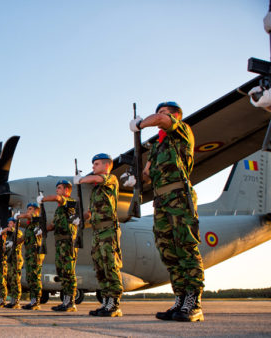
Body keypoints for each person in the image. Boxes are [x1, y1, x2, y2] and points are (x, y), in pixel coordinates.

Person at [130, 101, 205, 322]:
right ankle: (180, 300)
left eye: (163, 113)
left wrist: (141, 123)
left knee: (186, 247)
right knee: (168, 252)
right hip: (161, 201)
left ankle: (194, 302)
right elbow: (147, 173)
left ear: (176, 115)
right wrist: (136, 177)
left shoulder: (181, 131)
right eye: (158, 112)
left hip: (179, 197)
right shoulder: (159, 146)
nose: (158, 116)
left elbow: (161, 121)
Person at [74, 153, 123, 317]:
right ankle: (106, 302)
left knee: (110, 265)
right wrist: (83, 216)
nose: (93, 167)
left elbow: (96, 179)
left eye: (96, 164)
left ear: (107, 165)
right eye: (93, 164)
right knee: (100, 267)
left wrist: (80, 180)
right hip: (97, 232)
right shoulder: (96, 190)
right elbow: (92, 211)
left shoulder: (111, 179)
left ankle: (114, 304)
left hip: (108, 230)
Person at [39, 179, 79, 312]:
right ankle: (66, 301)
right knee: (61, 271)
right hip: (60, 244)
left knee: (68, 271)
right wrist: (43, 229)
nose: (57, 190)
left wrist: (43, 199)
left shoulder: (69, 202)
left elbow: (57, 197)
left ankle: (70, 302)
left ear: (67, 190)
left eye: (60, 188)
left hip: (68, 242)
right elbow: (53, 225)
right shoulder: (59, 210)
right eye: (57, 188)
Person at [16, 203, 44, 310]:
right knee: (30, 277)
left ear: (37, 210)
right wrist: (15, 242)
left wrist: (20, 216)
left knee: (35, 276)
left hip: (36, 253)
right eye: (27, 209)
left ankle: (36, 301)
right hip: (29, 254)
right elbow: (22, 238)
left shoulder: (37, 219)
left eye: (30, 209)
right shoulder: (29, 225)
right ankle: (33, 300)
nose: (28, 211)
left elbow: (30, 216)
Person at [4, 217, 24, 309]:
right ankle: (12, 300)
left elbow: (19, 240)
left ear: (15, 224)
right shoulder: (9, 235)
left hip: (16, 258)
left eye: (10, 223)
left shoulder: (18, 232)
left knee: (16, 279)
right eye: (8, 223)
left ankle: (16, 301)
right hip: (11, 259)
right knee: (11, 280)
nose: (9, 225)